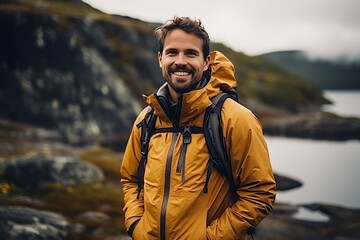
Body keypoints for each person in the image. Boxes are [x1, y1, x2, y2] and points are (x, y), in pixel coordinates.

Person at [120, 16, 276, 240]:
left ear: (206, 62)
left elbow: (259, 193)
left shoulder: (235, 118)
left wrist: (210, 237)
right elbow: (130, 179)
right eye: (172, 52)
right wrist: (136, 226)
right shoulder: (147, 119)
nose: (180, 61)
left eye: (191, 53)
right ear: (160, 59)